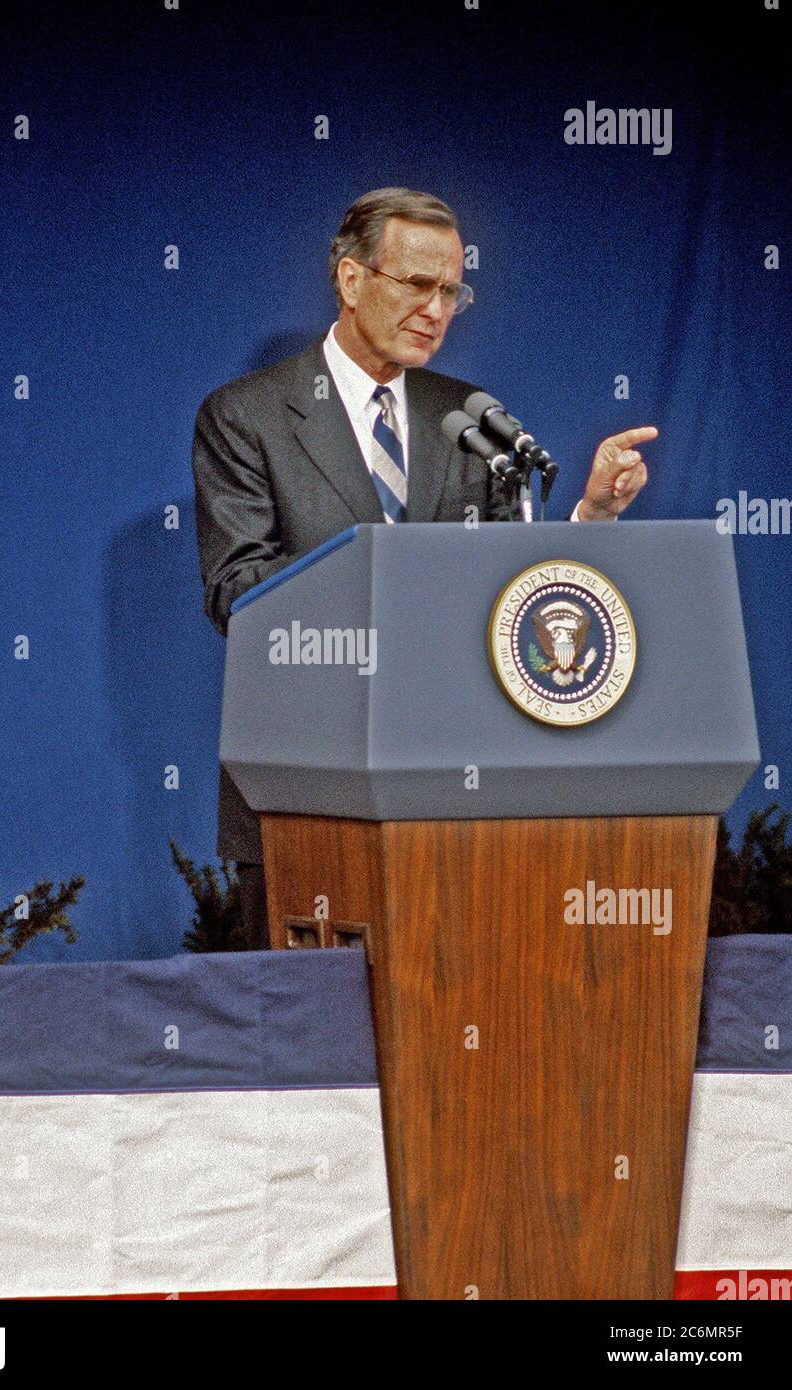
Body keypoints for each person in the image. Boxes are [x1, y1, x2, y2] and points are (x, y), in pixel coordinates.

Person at [192, 187, 655, 948]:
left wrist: (592, 517)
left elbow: (515, 590)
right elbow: (239, 597)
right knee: (316, 1047)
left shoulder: (468, 414)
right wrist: (394, 586)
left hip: (457, 787)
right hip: (307, 788)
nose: (436, 310)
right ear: (350, 280)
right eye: (416, 285)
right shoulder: (248, 416)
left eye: (451, 292)